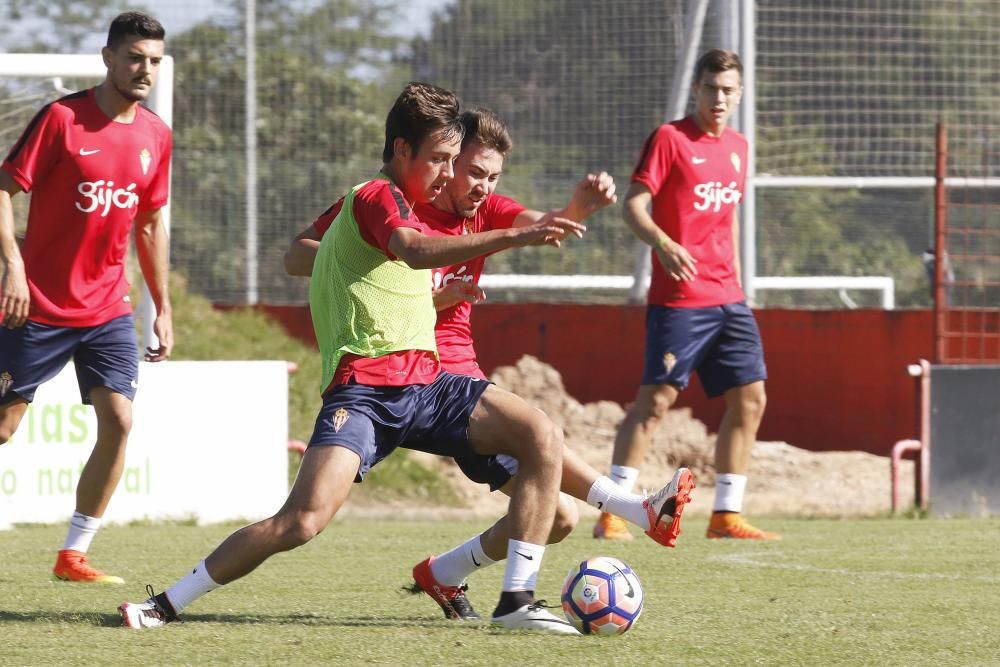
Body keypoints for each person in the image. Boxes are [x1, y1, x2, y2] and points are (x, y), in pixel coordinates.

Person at [118, 82, 690, 634]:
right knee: (302, 522)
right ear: (402, 150)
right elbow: (410, 253)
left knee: (542, 436)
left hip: (430, 381)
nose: (450, 175)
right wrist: (357, 270)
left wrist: (563, 214)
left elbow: (493, 240)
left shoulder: (436, 204)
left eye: (456, 162)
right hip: (365, 389)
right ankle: (167, 602)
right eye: (444, 160)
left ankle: (516, 599)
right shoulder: (373, 196)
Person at [283, 107, 696, 621]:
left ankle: (444, 574)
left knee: (558, 517)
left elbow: (542, 228)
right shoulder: (389, 207)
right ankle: (624, 517)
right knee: (538, 438)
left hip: (459, 378)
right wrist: (373, 270)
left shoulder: (486, 209)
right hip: (416, 373)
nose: (482, 186)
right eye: (473, 171)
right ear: (447, 161)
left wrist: (578, 208)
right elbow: (299, 254)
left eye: (492, 176)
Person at [0, 11, 173, 583]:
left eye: (152, 60)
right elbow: (4, 190)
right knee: (4, 426)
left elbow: (149, 225)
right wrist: (14, 267)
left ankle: (73, 555)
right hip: (38, 303)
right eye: (133, 58)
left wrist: (162, 306)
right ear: (108, 58)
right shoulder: (61, 118)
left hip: (107, 308)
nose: (143, 69)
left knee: (120, 420)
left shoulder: (155, 135)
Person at [593, 49, 778, 542]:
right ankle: (613, 510)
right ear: (696, 89)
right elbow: (634, 205)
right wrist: (664, 243)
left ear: (739, 95)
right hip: (680, 298)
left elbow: (729, 218)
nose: (719, 98)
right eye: (711, 88)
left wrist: (739, 283)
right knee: (655, 403)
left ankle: (725, 515)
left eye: (728, 90)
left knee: (751, 399)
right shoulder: (670, 139)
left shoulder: (739, 146)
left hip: (729, 297)